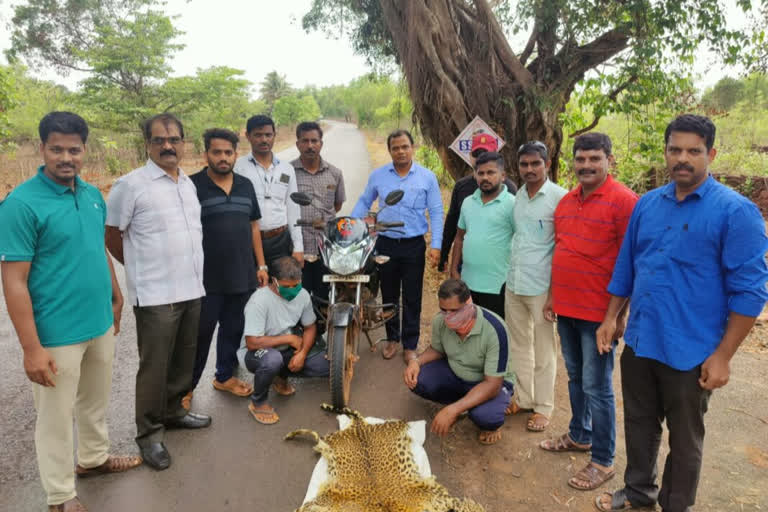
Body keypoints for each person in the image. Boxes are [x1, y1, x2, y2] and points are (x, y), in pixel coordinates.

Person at [595, 115, 768, 512]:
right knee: (639, 425)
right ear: (666, 152)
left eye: (693, 151)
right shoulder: (648, 205)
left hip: (692, 350)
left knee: (685, 439)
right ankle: (639, 493)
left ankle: (676, 505)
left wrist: (723, 356)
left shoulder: (736, 213)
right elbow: (627, 266)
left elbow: (750, 292)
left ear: (711, 154)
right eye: (675, 150)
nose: (683, 159)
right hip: (641, 340)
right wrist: (611, 318)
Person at [0, 112, 141, 512]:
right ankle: (60, 496)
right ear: (42, 148)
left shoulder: (93, 194)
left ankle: (93, 460)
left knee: (94, 401)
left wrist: (115, 296)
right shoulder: (20, 205)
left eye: (74, 150)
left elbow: (97, 249)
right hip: (55, 333)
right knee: (55, 419)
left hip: (97, 322)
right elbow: (13, 282)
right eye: (57, 149)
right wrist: (31, 348)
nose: (67, 157)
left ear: (85, 150)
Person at [105, 113, 211, 471]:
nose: (168, 145)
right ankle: (149, 435)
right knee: (154, 366)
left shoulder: (187, 183)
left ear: (184, 143)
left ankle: (173, 411)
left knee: (184, 357)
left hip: (191, 287)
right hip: (154, 294)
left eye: (174, 139)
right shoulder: (130, 185)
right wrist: (138, 268)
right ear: (147, 144)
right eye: (159, 140)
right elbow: (111, 235)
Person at [540, 132, 638, 491]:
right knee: (576, 378)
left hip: (599, 315)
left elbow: (631, 263)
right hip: (566, 308)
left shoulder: (625, 201)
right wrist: (552, 297)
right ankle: (580, 434)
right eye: (580, 159)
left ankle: (603, 459)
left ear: (609, 160)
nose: (586, 165)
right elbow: (561, 252)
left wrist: (617, 316)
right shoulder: (566, 202)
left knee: (598, 387)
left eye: (594, 158)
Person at [182, 128, 270, 409]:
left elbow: (254, 225)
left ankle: (224, 375)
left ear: (235, 153)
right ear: (205, 153)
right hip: (205, 278)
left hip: (242, 274)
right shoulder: (191, 185)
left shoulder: (245, 185)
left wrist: (261, 264)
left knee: (233, 329)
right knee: (199, 334)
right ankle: (185, 387)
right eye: (216, 152)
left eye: (228, 152)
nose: (223, 157)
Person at [351, 129, 444, 363]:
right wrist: (352, 225)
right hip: (386, 243)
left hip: (414, 245)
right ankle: (393, 339)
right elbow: (364, 201)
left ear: (413, 148)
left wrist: (437, 245)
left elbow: (435, 211)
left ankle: (410, 344)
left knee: (412, 296)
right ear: (390, 150)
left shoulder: (427, 177)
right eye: (395, 148)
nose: (401, 151)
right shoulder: (379, 176)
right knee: (389, 294)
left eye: (405, 146)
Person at [404, 279, 515, 445]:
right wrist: (416, 362)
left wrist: (453, 409)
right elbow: (437, 349)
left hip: (489, 383)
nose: (449, 317)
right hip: (457, 373)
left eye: (454, 310)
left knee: (487, 417)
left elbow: (493, 384)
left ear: (469, 304)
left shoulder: (495, 329)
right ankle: (467, 403)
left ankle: (475, 411)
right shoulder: (440, 321)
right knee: (418, 380)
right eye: (444, 310)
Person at [504, 141, 567, 433]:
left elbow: (562, 248)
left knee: (544, 350)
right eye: (524, 164)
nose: (529, 170)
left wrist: (554, 295)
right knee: (519, 345)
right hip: (515, 282)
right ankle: (525, 397)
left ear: (547, 162)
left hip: (543, 288)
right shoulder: (518, 195)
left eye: (535, 164)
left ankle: (543, 407)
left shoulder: (558, 198)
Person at [239, 256, 330, 425]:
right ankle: (258, 402)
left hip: (287, 348)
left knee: (329, 366)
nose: (293, 290)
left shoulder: (302, 295)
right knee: (272, 360)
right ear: (274, 281)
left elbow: (310, 327)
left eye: (297, 284)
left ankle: (280, 378)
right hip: (256, 352)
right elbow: (252, 342)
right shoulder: (259, 301)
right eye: (288, 286)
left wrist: (302, 354)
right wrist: (288, 338)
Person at [449, 151, 515, 318]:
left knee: (494, 333)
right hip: (467, 284)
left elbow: (521, 242)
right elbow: (459, 238)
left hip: (498, 285)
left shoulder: (513, 204)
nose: (485, 177)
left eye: (491, 172)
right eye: (481, 173)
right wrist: (454, 270)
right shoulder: (468, 202)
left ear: (503, 175)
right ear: (475, 175)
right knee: (468, 329)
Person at [439, 133, 517, 272]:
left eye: (485, 153)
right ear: (470, 156)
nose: (481, 157)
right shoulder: (461, 186)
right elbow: (452, 223)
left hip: (499, 266)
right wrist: (444, 256)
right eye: (477, 153)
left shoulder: (509, 189)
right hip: (467, 264)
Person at [290, 121, 346, 311]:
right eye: (305, 141)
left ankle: (320, 335)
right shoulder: (288, 172)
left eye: (314, 140)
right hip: (298, 247)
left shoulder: (335, 173)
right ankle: (301, 335)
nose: (310, 145)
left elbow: (336, 205)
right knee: (299, 294)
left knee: (324, 295)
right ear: (298, 144)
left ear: (321, 143)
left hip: (326, 247)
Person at [234, 115, 303, 266]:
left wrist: (298, 246)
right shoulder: (238, 168)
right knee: (253, 287)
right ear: (248, 136)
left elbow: (293, 209)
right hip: (248, 241)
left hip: (281, 241)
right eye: (258, 135)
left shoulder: (286, 169)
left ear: (274, 136)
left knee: (281, 288)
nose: (264, 140)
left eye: (268, 135)